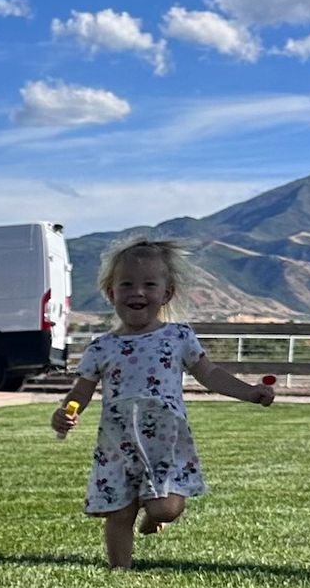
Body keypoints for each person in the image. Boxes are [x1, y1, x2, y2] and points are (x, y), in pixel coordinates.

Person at [54, 237, 274, 569]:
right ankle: (120, 572)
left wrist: (250, 392)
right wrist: (65, 413)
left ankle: (156, 516)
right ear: (111, 293)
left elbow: (209, 374)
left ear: (166, 293)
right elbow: (81, 392)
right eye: (126, 284)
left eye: (148, 284)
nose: (137, 292)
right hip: (117, 444)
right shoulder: (102, 347)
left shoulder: (178, 337)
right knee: (119, 512)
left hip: (165, 443)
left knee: (165, 508)